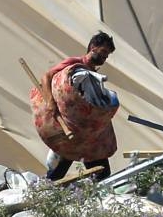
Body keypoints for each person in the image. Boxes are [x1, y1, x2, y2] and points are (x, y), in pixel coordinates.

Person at [41, 32, 117, 181]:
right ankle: (44, 192)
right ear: (93, 47)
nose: (104, 57)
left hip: (87, 134)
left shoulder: (93, 75)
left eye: (107, 55)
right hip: (71, 129)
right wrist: (50, 101)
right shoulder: (74, 64)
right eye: (103, 52)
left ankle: (87, 193)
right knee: (57, 174)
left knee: (101, 173)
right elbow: (47, 77)